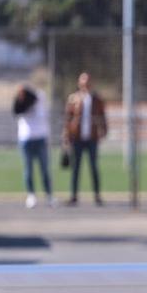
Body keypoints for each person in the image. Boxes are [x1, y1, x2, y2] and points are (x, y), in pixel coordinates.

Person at [62, 72, 107, 206]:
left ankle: (97, 195)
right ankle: (74, 195)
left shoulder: (96, 99)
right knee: (76, 168)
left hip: (92, 138)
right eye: (83, 81)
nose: (85, 84)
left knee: (94, 167)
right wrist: (66, 135)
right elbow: (68, 118)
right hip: (77, 138)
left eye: (87, 81)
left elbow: (102, 116)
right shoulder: (73, 98)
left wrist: (103, 130)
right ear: (79, 83)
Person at [12, 85, 56, 209]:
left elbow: (35, 96)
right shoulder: (21, 103)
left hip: (40, 138)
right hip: (26, 139)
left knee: (44, 169)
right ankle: (31, 195)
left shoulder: (39, 97)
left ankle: (49, 195)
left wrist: (25, 92)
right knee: (28, 169)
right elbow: (15, 110)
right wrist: (20, 98)